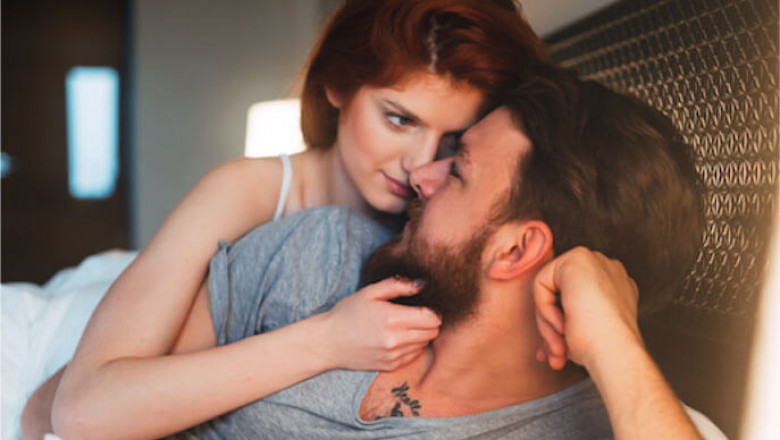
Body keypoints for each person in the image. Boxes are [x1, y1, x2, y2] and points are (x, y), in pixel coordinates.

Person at [57, 64, 712, 439]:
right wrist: (323, 340)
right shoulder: (323, 250)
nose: (420, 175)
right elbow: (73, 411)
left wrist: (617, 346)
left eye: (458, 168)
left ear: (516, 250)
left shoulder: (605, 423)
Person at [21, 1, 548, 439]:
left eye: (452, 141)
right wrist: (327, 340)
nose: (420, 164)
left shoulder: (451, 236)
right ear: (338, 85)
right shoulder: (247, 192)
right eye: (399, 119)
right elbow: (78, 409)